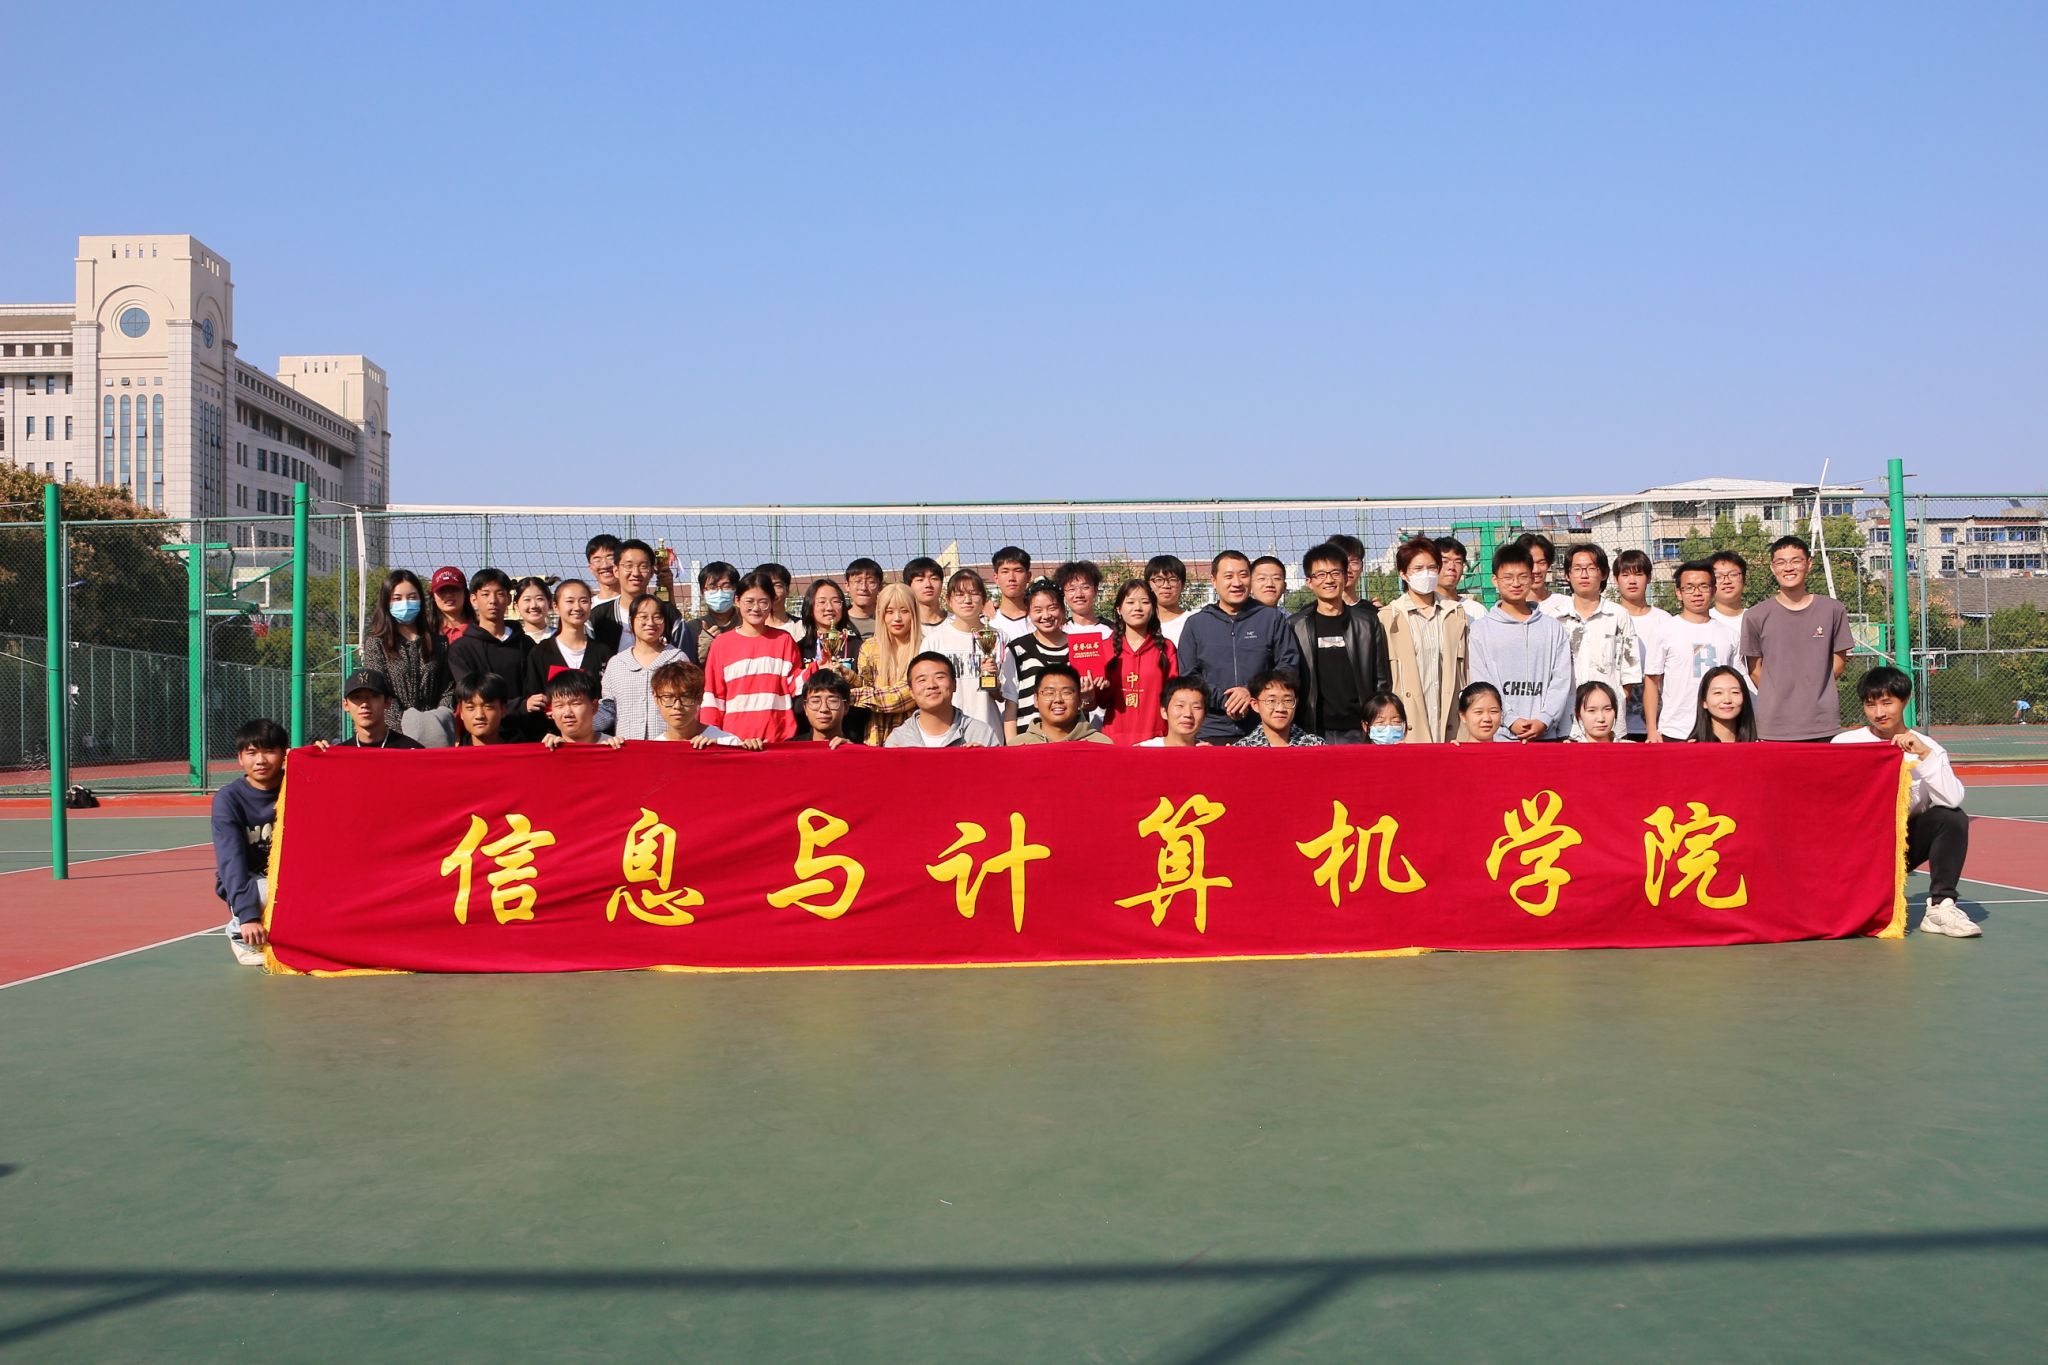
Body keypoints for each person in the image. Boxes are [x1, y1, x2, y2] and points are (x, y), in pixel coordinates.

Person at [1834, 666, 1979, 937]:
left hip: (1898, 847)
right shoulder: (1846, 743)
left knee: (1951, 817)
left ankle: (1941, 907)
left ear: (1905, 700)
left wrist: (1924, 756)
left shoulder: (1927, 747)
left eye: (1887, 702)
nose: (1879, 712)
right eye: (1870, 705)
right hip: (1852, 849)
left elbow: (1952, 799)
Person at [1180, 550, 1303, 744]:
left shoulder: (1271, 619)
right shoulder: (1196, 624)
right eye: (1228, 576)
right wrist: (1224, 700)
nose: (1237, 583)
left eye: (1243, 575)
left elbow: (1288, 666)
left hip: (1264, 728)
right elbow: (1189, 675)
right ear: (1214, 580)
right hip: (1211, 729)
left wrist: (1250, 692)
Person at [1741, 535, 1853, 741]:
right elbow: (1755, 670)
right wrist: (1778, 694)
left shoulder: (1833, 610)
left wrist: (1812, 690)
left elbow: (1838, 663)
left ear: (1809, 564)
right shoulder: (1755, 615)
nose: (1788, 568)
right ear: (1772, 568)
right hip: (1774, 725)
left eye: (1796, 561)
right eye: (1781, 562)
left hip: (1822, 723)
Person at [1286, 543, 1390, 744]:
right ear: (1309, 582)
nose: (1329, 580)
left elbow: (1381, 679)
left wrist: (1377, 721)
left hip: (1359, 729)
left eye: (1335, 573)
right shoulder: (1296, 625)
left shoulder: (1367, 622)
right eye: (1320, 575)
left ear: (1344, 576)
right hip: (1312, 729)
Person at [1467, 544, 1573, 742]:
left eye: (1523, 576)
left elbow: (1561, 679)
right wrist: (1510, 719)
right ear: (1495, 580)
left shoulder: (1552, 627)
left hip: (1546, 735)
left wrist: (1545, 719)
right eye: (1508, 577)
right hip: (1500, 737)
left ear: (1532, 578)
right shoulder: (1481, 630)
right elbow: (1482, 681)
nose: (1515, 583)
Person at [213, 718, 287, 966]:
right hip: (250, 881)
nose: (261, 760)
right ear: (240, 758)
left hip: (291, 877)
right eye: (252, 752)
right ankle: (239, 934)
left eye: (269, 751)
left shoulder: (299, 786)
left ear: (284, 755)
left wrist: (320, 756)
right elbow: (230, 861)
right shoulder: (229, 799)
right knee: (269, 891)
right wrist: (248, 916)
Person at [1644, 561, 1745, 743]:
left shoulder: (1729, 635)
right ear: (1678, 593)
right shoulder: (1663, 632)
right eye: (1689, 587)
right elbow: (1651, 682)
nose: (1697, 593)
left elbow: (1737, 682)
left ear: (1713, 590)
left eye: (1703, 586)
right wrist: (1652, 730)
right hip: (1675, 730)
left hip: (1720, 731)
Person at [1380, 536, 1467, 743]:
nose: (1426, 574)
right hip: (1408, 724)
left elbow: (1465, 671)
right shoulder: (1388, 617)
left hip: (1450, 723)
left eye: (1432, 567)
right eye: (1418, 569)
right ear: (1403, 573)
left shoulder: (1455, 613)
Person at [700, 570, 803, 742]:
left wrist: (820, 668)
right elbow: (713, 696)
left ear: (772, 603)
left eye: (763, 602)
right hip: (734, 741)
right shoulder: (721, 644)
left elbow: (794, 684)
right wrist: (710, 734)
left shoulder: (784, 640)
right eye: (749, 601)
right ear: (737, 601)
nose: (756, 608)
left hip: (777, 741)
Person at [1551, 544, 1641, 740]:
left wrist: (1617, 698)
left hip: (1608, 721)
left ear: (1603, 573)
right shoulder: (1554, 618)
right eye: (1577, 569)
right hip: (1566, 719)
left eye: (1591, 568)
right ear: (1567, 575)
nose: (1584, 575)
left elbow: (1630, 669)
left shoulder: (1618, 615)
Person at [359, 569, 456, 747]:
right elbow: (379, 691)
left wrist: (437, 720)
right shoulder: (376, 644)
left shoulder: (440, 643)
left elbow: (448, 689)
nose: (405, 603)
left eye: (412, 597)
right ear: (386, 602)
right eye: (397, 598)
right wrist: (406, 729)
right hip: (394, 738)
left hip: (435, 735)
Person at [922, 569, 1016, 739]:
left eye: (974, 593)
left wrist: (993, 681)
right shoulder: (933, 642)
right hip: (947, 734)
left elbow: (1006, 696)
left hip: (989, 732)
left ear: (984, 599)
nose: (967, 600)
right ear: (948, 600)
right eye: (959, 594)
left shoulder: (1000, 638)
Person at [447, 568, 536, 741]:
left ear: (509, 599)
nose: (493, 601)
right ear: (473, 599)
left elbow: (534, 689)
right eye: (485, 594)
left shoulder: (526, 644)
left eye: (500, 594)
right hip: (481, 738)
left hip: (524, 736)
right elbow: (471, 695)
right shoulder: (461, 649)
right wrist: (520, 705)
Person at [525, 578, 615, 730]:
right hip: (553, 738)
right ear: (555, 606)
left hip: (596, 737)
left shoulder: (604, 653)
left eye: (583, 601)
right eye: (570, 601)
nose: (577, 607)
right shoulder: (540, 653)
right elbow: (534, 700)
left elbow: (610, 702)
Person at [1099, 581, 1178, 744]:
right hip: (1114, 739)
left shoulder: (1166, 648)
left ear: (1153, 609)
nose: (1138, 608)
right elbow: (1099, 701)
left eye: (1145, 602)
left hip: (1156, 738)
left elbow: (1174, 695)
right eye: (1130, 602)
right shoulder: (1105, 648)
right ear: (1119, 609)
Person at [601, 593, 686, 741]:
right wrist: (581, 723)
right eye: (643, 617)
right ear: (631, 621)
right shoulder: (617, 663)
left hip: (668, 747)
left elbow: (689, 704)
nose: (651, 623)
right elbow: (608, 709)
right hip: (627, 749)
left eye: (657, 617)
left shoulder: (678, 659)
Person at [1612, 549, 1671, 741]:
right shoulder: (1610, 617)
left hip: (1656, 726)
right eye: (1625, 575)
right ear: (1615, 579)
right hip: (1615, 724)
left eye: (1638, 574)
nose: (1632, 581)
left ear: (1649, 578)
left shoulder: (1664, 621)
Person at [884, 652, 1002, 747]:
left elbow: (999, 769)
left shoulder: (980, 733)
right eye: (922, 680)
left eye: (940, 677)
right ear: (911, 692)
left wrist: (984, 759)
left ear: (954, 685)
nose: (931, 685)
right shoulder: (898, 740)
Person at [854, 583, 921, 745]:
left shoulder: (925, 647)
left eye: (904, 611)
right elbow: (865, 686)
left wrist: (849, 695)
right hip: (876, 735)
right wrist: (846, 676)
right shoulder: (869, 648)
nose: (897, 618)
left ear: (914, 613)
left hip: (913, 737)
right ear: (880, 614)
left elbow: (901, 697)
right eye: (889, 612)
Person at [1006, 579, 1072, 737]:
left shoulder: (1079, 647)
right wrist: (1012, 744)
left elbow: (1087, 700)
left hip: (1071, 737)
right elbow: (1011, 702)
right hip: (1029, 739)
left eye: (1052, 608)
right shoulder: (1017, 649)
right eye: (1038, 610)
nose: (1046, 616)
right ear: (1028, 612)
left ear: (1063, 609)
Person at [650, 660, 761, 748]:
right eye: (668, 697)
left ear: (700, 698)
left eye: (686, 697)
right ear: (656, 698)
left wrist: (752, 751)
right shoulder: (654, 751)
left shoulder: (727, 742)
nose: (677, 706)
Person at [1056, 560, 1113, 703]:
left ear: (1095, 590)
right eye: (1071, 589)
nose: (1079, 594)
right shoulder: (1058, 633)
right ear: (1064, 594)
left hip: (1104, 709)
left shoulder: (1112, 632)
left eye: (1085, 587)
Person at [1015, 664, 1113, 744]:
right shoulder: (1018, 746)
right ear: (1036, 700)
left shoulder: (1101, 744)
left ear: (1079, 699)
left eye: (1067, 692)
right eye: (1049, 693)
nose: (1058, 699)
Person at [328, 669, 424, 749]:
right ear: (345, 705)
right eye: (356, 697)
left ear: (387, 702)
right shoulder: (339, 755)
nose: (364, 704)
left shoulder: (410, 751)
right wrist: (320, 754)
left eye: (373, 696)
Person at [798, 577, 864, 685]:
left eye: (835, 601)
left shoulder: (858, 646)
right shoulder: (800, 649)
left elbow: (866, 685)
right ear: (810, 608)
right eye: (822, 602)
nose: (829, 607)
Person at [1232, 669, 1323, 747]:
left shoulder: (1316, 746)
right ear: (1255, 705)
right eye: (1272, 701)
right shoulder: (1243, 749)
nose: (1280, 709)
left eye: (1287, 701)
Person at [539, 671, 623, 749]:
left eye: (575, 704)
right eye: (559, 705)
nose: (567, 713)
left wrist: (615, 752)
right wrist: (553, 753)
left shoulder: (613, 747)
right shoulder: (548, 751)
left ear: (594, 706)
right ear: (551, 711)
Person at [677, 561, 741, 663]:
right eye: (712, 588)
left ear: (735, 590)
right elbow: (687, 666)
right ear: (702, 592)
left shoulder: (746, 624)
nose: (719, 592)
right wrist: (704, 646)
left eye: (726, 586)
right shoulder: (691, 629)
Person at [1687, 666, 1758, 742]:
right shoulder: (1691, 747)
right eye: (1718, 693)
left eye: (1735, 692)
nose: (1727, 700)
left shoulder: (1758, 746)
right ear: (1704, 701)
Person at [1138, 677, 1207, 747]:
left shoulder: (1207, 750)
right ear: (1164, 712)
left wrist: (1210, 753)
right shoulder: (1142, 750)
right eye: (1180, 705)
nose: (1188, 714)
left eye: (1196, 707)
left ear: (1204, 715)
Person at [986, 546, 1035, 644]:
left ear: (1028, 576)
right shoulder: (985, 621)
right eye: (1005, 571)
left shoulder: (1041, 621)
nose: (1011, 578)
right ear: (996, 578)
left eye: (1018, 571)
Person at [1433, 536, 1488, 622]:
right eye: (1445, 561)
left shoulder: (1476, 611)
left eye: (1458, 562)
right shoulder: (1422, 610)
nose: (1451, 567)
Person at [452, 675, 518, 746]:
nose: (479, 715)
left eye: (488, 707)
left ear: (503, 710)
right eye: (470, 707)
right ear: (461, 712)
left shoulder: (522, 750)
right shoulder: (452, 752)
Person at [798, 670, 855, 748]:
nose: (824, 709)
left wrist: (852, 752)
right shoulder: (791, 749)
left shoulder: (861, 750)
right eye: (815, 701)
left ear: (846, 707)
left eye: (832, 701)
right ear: (805, 708)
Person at [1147, 554, 1193, 648]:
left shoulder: (1194, 621)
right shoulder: (1140, 622)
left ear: (1183, 585)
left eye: (1173, 580)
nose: (1166, 586)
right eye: (1159, 580)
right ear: (1148, 584)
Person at [753, 562, 801, 641]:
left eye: (777, 585)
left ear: (787, 590)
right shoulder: (746, 628)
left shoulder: (803, 629)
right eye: (765, 585)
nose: (771, 591)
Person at [430, 565, 474, 643]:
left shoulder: (480, 629)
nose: (448, 595)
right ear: (433, 596)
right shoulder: (425, 632)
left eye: (454, 589)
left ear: (465, 593)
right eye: (442, 590)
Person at [904, 556, 948, 633]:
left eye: (934, 579)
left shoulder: (957, 622)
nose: (928, 585)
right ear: (908, 586)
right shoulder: (904, 625)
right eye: (920, 580)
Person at [1515, 533, 1558, 613]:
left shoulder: (1566, 604)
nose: (1536, 570)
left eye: (1542, 563)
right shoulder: (1509, 609)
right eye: (1530, 563)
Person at [1326, 534, 1370, 609]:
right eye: (1342, 563)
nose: (1348, 569)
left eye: (1354, 562)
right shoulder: (1311, 612)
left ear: (1362, 566)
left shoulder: (1371, 612)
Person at [584, 534, 623, 615]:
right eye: (597, 559)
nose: (605, 565)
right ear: (590, 567)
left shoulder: (634, 602)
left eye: (610, 557)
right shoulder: (587, 608)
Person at [1709, 550, 1749, 627]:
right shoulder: (1703, 620)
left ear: (1744, 579)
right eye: (1718, 576)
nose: (1727, 581)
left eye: (1733, 575)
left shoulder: (1757, 619)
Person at [512, 576, 555, 646]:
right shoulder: (513, 642)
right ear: (516, 606)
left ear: (549, 602)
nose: (534, 605)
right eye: (527, 599)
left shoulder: (561, 638)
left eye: (539, 599)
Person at [844, 557, 883, 628]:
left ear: (880, 587)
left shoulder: (889, 620)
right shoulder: (837, 621)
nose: (864, 588)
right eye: (858, 581)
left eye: (871, 582)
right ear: (847, 586)